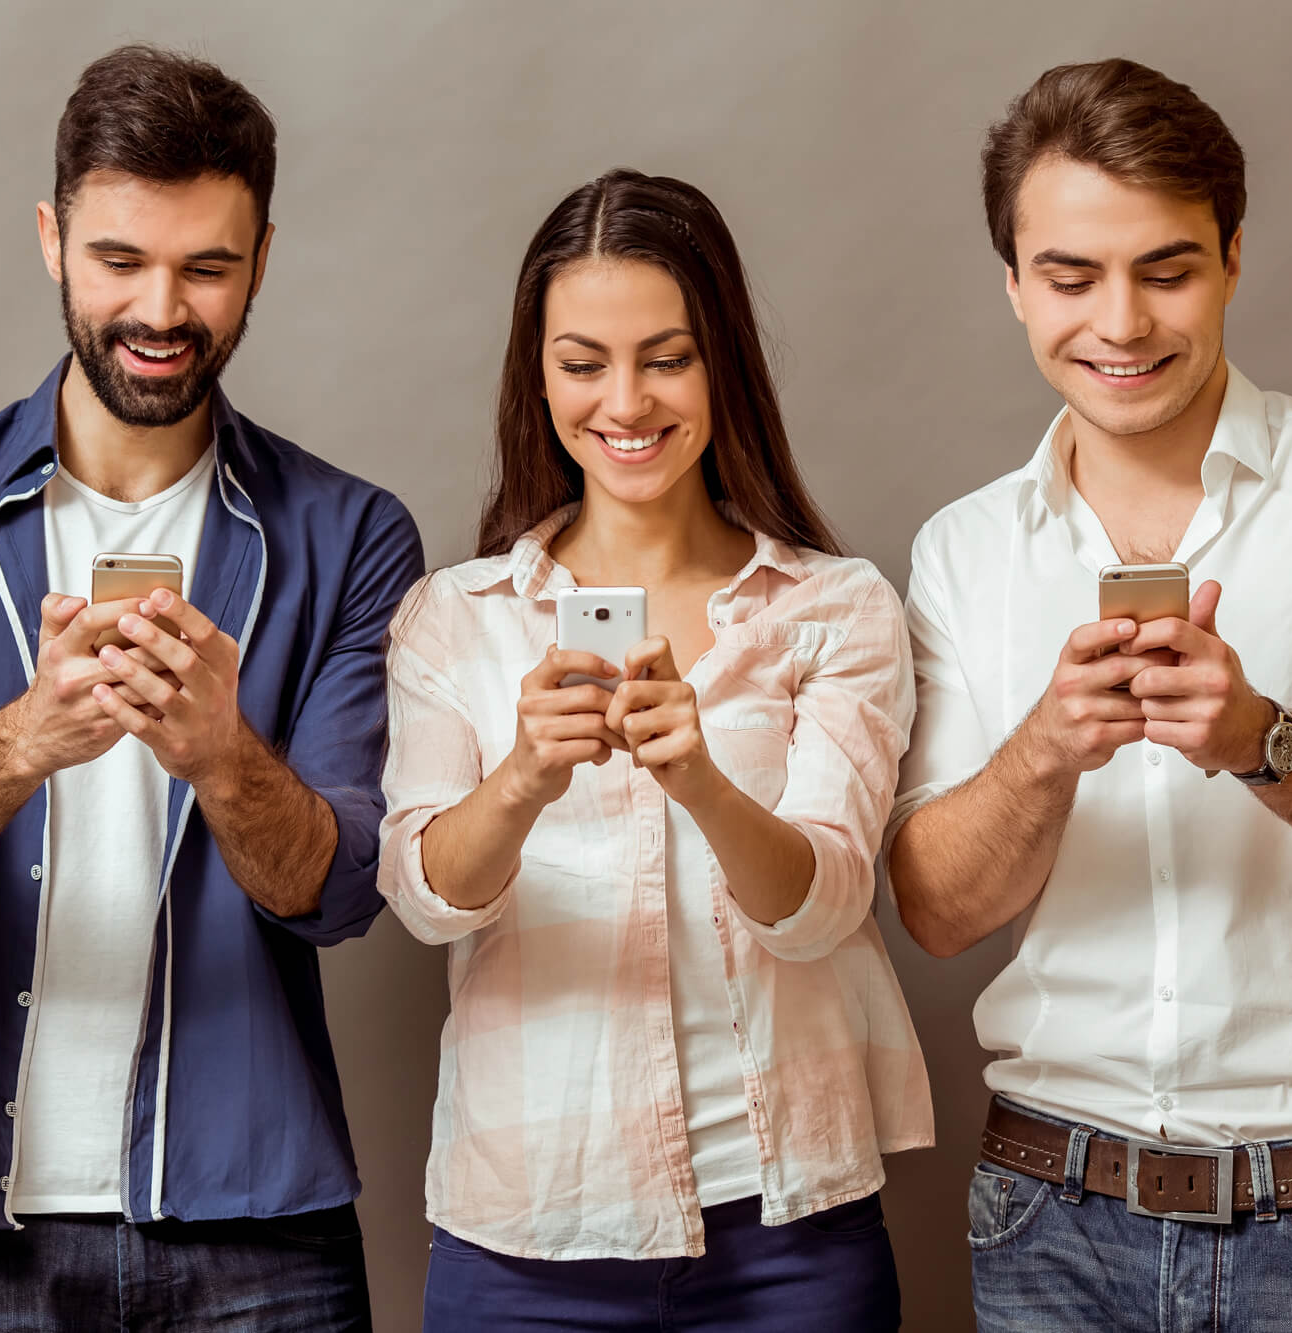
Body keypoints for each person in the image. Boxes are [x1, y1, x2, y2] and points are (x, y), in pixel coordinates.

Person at [0, 44, 421, 1330]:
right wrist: (27, 737)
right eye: (120, 260)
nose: (162, 309)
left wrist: (220, 757)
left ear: (263, 257)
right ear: (50, 237)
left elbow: (343, 889)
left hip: (265, 1224)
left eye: (207, 265)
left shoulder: (352, 535)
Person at [886, 59, 1292, 1332]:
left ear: (1233, 257)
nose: (1118, 323)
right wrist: (1042, 754)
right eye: (1069, 277)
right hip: (1045, 1218)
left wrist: (1260, 739)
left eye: (1164, 270)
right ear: (1012, 285)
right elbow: (934, 911)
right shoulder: (962, 548)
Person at [377, 168, 932, 1331]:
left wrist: (701, 784)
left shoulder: (833, 606)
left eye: (665, 357)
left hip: (787, 1231)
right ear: (539, 375)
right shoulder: (456, 615)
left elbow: (826, 905)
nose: (623, 401)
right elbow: (427, 897)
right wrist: (524, 776)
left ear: (722, 359)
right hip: (525, 1234)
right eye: (583, 362)